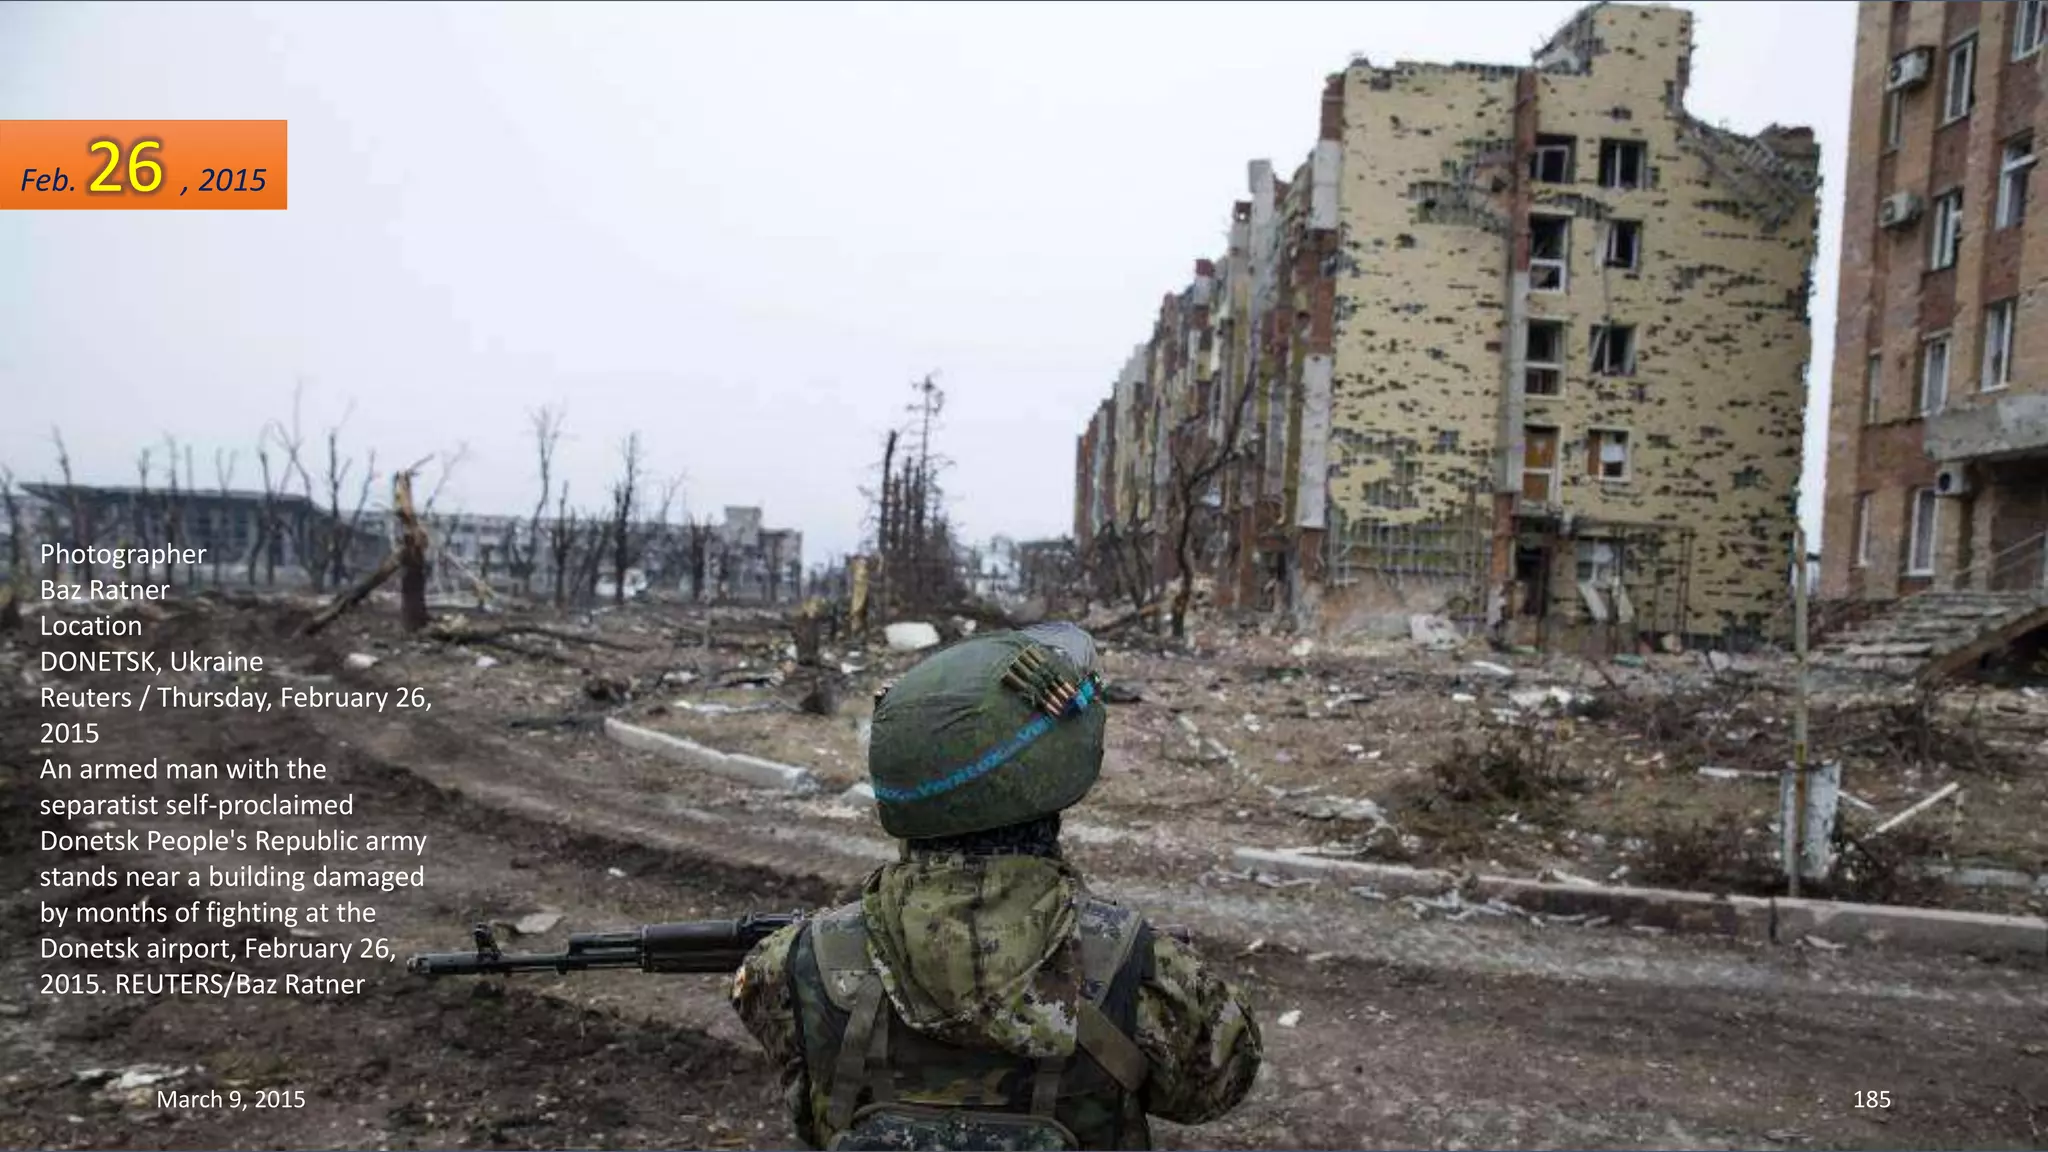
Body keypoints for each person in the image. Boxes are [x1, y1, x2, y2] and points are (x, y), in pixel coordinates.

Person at [730, 622, 1262, 1151]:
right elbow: (1218, 1083)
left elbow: (801, 1095)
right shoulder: (1135, 967)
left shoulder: (795, 965)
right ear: (1048, 787)